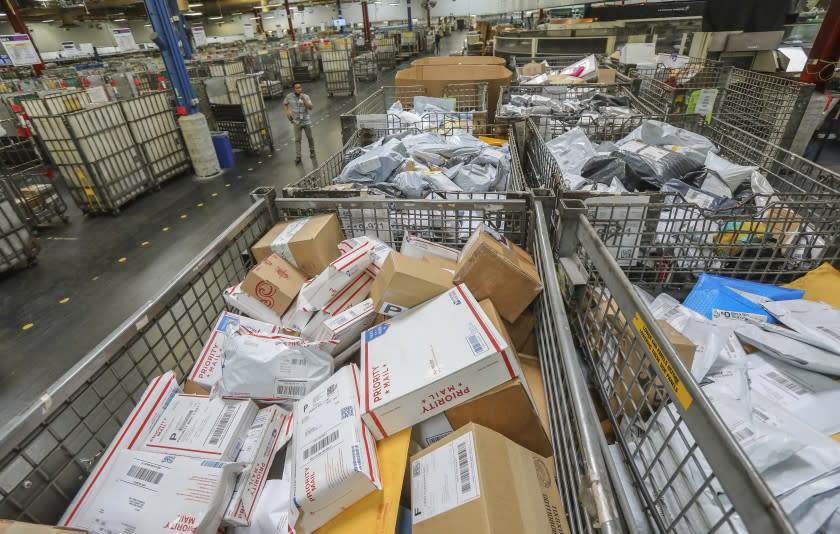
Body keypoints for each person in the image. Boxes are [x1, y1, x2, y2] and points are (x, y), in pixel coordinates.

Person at [283, 82, 315, 163]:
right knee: (297, 139)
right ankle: (298, 157)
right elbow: (285, 103)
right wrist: (287, 112)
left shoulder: (306, 96)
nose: (299, 89)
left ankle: (312, 151)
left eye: (300, 87)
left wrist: (304, 99)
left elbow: (310, 107)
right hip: (296, 121)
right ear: (294, 89)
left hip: (306, 121)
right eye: (297, 88)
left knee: (310, 137)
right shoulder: (289, 96)